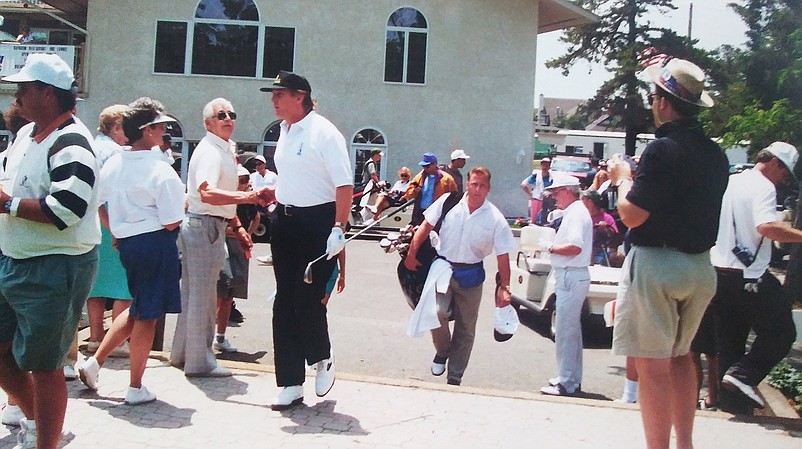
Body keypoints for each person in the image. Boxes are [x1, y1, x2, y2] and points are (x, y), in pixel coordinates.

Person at [608, 57, 728, 449]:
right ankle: (685, 444)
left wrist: (622, 180)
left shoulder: (662, 150)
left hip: (658, 266)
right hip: (699, 267)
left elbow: (632, 216)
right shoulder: (717, 155)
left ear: (663, 102)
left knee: (651, 365)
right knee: (682, 356)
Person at [0, 53, 101, 449]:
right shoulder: (27, 135)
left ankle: (46, 441)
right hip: (15, 259)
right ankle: (41, 425)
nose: (17, 94)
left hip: (55, 267)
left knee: (44, 365)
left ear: (47, 93)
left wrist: (6, 204)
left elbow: (67, 209)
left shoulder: (74, 143)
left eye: (25, 87)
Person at [77, 97, 184, 405]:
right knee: (148, 316)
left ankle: (94, 362)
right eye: (160, 125)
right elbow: (172, 219)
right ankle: (136, 386)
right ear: (147, 130)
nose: (164, 130)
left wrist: (117, 230)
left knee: (139, 307)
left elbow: (97, 201)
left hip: (130, 244)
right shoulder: (159, 168)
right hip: (154, 243)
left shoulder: (115, 162)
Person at [260, 70, 353, 410]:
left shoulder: (324, 133)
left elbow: (344, 185)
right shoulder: (284, 131)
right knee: (284, 300)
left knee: (307, 298)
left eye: (279, 94)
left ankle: (321, 356)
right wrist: (276, 193)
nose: (273, 99)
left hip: (318, 223)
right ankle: (290, 382)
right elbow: (295, 175)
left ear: (300, 96)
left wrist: (338, 228)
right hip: (284, 221)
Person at [170, 98, 268, 378]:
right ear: (208, 123)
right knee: (202, 296)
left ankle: (183, 355)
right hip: (204, 226)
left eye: (231, 114)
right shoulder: (211, 151)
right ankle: (200, 362)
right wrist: (248, 196)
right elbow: (206, 192)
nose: (228, 118)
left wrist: (237, 227)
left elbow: (218, 197)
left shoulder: (224, 149)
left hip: (210, 224)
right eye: (220, 114)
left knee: (194, 295)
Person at [710, 142, 802, 414]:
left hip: (719, 271)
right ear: (774, 162)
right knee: (782, 333)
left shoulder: (732, 181)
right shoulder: (764, 186)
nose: (784, 178)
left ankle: (733, 406)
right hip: (749, 275)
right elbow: (766, 226)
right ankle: (744, 375)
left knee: (730, 341)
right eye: (784, 172)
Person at [403, 167, 515, 386]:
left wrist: (505, 287)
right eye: (474, 184)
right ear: (467, 184)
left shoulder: (495, 219)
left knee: (466, 328)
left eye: (482, 185)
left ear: (488, 189)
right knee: (436, 312)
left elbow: (503, 256)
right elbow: (426, 226)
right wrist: (411, 253)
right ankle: (443, 351)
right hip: (444, 268)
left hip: (472, 275)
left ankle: (455, 376)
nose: (477, 189)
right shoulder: (448, 202)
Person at [86, 104, 134, 358]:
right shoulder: (117, 153)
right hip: (112, 222)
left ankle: (95, 337)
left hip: (90, 223)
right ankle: (117, 342)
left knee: (95, 285)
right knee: (122, 286)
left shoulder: (90, 146)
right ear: (116, 128)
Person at [538, 174, 593, 396]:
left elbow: (575, 247)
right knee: (570, 331)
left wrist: (550, 248)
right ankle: (569, 377)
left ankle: (567, 381)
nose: (554, 197)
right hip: (571, 274)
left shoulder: (576, 214)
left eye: (557, 192)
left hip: (572, 274)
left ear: (568, 191)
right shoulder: (575, 212)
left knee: (565, 331)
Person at [214, 165, 262, 353]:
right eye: (242, 180)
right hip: (223, 245)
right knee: (217, 294)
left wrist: (247, 233)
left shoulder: (248, 201)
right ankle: (207, 337)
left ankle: (221, 336)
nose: (246, 183)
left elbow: (256, 218)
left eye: (247, 179)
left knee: (229, 295)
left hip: (239, 247)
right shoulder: (223, 198)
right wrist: (232, 232)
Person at [403, 153, 457, 226]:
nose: (425, 168)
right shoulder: (419, 177)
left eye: (427, 166)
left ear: (435, 164)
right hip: (421, 213)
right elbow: (408, 195)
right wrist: (414, 191)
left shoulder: (447, 179)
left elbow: (454, 198)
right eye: (423, 166)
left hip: (437, 215)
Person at [580, 189, 621, 266]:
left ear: (590, 202)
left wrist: (606, 229)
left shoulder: (607, 218)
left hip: (601, 252)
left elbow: (616, 238)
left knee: (618, 257)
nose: (581, 202)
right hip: (582, 252)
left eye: (583, 199)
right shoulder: (581, 217)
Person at [520, 158, 552, 225]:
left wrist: (550, 192)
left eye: (547, 165)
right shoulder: (535, 176)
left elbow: (555, 188)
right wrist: (530, 194)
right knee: (534, 220)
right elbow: (523, 185)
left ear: (549, 166)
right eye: (543, 165)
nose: (545, 167)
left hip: (547, 201)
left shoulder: (552, 177)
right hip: (536, 200)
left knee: (545, 221)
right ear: (540, 166)